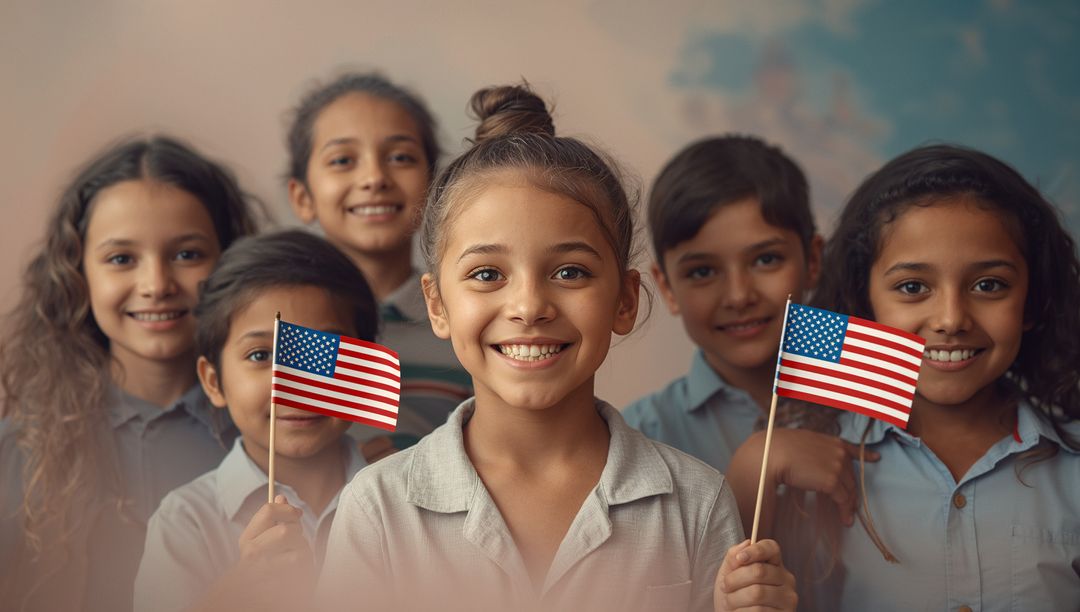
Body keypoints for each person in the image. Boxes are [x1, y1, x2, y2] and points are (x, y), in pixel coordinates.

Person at [318, 83, 798, 612]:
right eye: (486, 274)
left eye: (570, 271)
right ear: (437, 305)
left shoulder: (696, 502)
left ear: (625, 300)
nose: (529, 305)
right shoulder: (379, 506)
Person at [727, 144, 1080, 611]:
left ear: (1033, 302)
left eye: (988, 284)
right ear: (864, 299)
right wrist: (756, 466)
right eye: (913, 287)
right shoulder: (801, 467)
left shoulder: (1071, 466)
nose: (951, 319)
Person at [0, 135, 260, 612]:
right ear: (77, 274)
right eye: (122, 259)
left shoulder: (278, 437)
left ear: (231, 262)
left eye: (187, 255)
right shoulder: (17, 455)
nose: (156, 285)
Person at [134, 230, 378, 612]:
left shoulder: (401, 498)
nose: (295, 383)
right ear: (213, 381)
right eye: (262, 355)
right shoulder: (186, 522)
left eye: (322, 353)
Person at [285, 72, 470, 451]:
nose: (374, 177)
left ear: (434, 188)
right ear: (303, 197)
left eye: (400, 157)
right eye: (342, 160)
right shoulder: (285, 326)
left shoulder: (464, 319)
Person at [623, 135, 823, 473]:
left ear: (813, 261)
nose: (739, 296)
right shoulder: (639, 440)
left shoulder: (874, 404)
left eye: (766, 260)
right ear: (667, 288)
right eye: (702, 271)